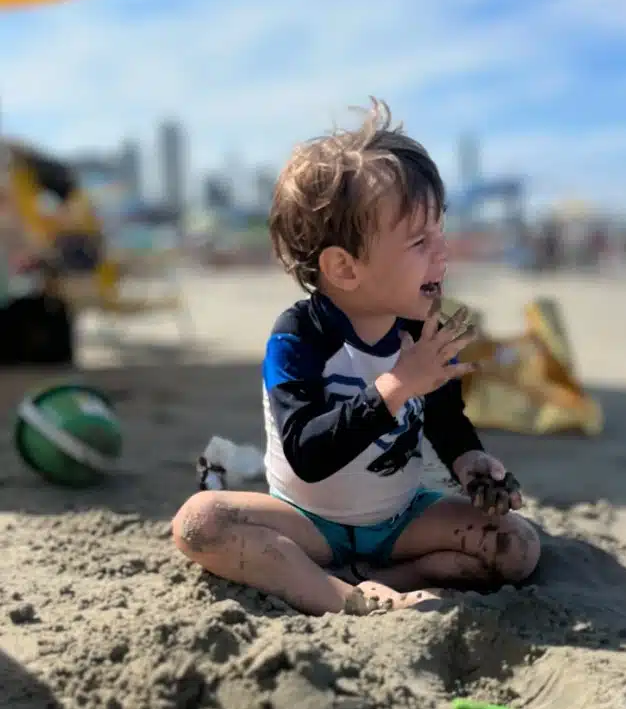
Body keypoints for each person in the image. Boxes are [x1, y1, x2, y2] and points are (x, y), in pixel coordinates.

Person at [172, 98, 541, 615]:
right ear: (345, 269)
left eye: (441, 231)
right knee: (200, 522)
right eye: (419, 240)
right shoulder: (298, 336)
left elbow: (443, 416)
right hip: (305, 520)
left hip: (399, 518)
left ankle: (379, 575)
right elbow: (307, 451)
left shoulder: (419, 329)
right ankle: (339, 595)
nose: (443, 252)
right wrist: (397, 385)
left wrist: (469, 461)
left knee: (518, 548)